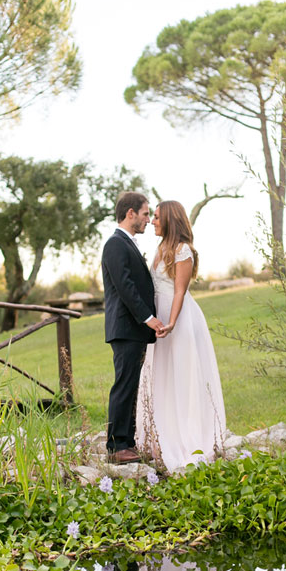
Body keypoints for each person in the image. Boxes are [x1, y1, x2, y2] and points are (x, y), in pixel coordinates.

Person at [136, 200, 226, 472]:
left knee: (183, 375)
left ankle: (189, 436)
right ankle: (161, 433)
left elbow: (179, 290)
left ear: (171, 220)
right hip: (160, 319)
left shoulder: (182, 249)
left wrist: (172, 322)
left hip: (180, 319)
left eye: (158, 217)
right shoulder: (160, 247)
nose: (152, 221)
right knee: (161, 374)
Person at [101, 191, 165, 464]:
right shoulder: (115, 244)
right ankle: (117, 446)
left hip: (132, 329)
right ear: (130, 214)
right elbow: (125, 288)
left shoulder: (126, 243)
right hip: (126, 327)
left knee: (131, 385)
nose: (148, 219)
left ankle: (127, 441)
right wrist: (147, 317)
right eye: (145, 213)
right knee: (124, 385)